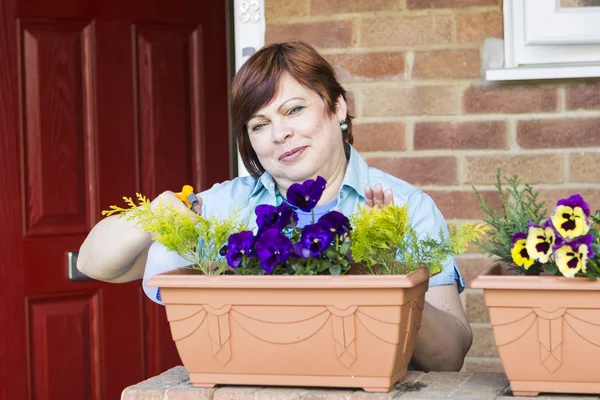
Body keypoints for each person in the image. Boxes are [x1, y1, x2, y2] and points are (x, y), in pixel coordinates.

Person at [77, 41, 472, 372]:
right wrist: (160, 214)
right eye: (259, 124)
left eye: (294, 110)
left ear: (336, 108)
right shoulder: (224, 207)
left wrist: (392, 274)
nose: (280, 134)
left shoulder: (404, 207)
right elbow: (96, 264)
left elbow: (450, 356)